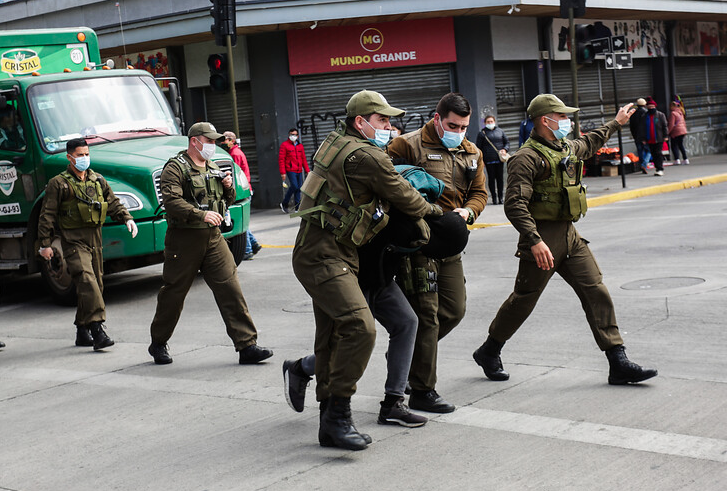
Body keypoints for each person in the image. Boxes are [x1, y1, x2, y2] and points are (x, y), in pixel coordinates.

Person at [291, 90, 443, 451]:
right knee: (361, 327)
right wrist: (441, 216)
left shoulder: (338, 144)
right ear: (360, 122)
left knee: (333, 337)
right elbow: (405, 195)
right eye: (382, 120)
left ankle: (330, 422)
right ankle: (339, 414)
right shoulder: (365, 155)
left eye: (390, 121)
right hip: (324, 255)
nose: (389, 127)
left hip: (330, 251)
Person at [471, 94, 658, 386]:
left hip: (569, 235)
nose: (567, 122)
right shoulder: (526, 158)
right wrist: (534, 240)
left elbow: (590, 142)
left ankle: (617, 360)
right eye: (561, 116)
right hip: (542, 238)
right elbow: (515, 204)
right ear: (545, 120)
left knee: (596, 290)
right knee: (524, 300)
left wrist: (616, 123)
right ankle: (489, 349)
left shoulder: (565, 147)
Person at [284, 171, 469, 429]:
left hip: (380, 277)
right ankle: (301, 368)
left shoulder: (423, 217)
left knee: (407, 323)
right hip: (356, 275)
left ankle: (393, 404)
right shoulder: (405, 224)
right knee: (355, 341)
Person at [388, 92, 488, 413]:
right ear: (437, 118)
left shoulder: (471, 152)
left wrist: (469, 213)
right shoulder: (408, 145)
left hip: (450, 243)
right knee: (427, 318)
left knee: (454, 311)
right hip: (418, 245)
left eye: (463, 127)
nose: (458, 132)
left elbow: (479, 193)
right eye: (452, 125)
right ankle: (422, 390)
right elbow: (386, 184)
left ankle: (407, 357)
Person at [147, 122, 273, 366]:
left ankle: (247, 345)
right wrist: (200, 214)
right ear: (195, 141)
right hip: (184, 239)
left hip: (213, 238)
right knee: (174, 293)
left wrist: (229, 188)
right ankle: (158, 342)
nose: (213, 146)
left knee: (230, 288)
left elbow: (227, 200)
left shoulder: (213, 166)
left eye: (215, 141)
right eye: (210, 141)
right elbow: (171, 201)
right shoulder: (175, 168)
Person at [38, 138, 138, 350]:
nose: (84, 158)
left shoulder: (97, 180)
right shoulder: (59, 183)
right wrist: (44, 244)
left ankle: (82, 331)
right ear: (70, 157)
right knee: (87, 281)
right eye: (80, 155)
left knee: (96, 285)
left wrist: (127, 218)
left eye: (86, 154)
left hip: (95, 239)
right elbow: (47, 214)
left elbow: (112, 202)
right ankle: (97, 329)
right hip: (73, 240)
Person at [222, 131, 261, 260]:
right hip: (245, 190)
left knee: (241, 222)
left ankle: (248, 249)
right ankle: (254, 244)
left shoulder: (234, 155)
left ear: (232, 141)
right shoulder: (236, 153)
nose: (223, 142)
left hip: (240, 191)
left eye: (225, 140)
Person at [475, 114, 510, 205]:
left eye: (491, 121)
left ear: (494, 122)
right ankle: (494, 198)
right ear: (485, 123)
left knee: (500, 179)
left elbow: (507, 142)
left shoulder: (500, 131)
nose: (490, 123)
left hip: (499, 159)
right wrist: (481, 160)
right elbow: (478, 148)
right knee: (491, 179)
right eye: (488, 122)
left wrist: (505, 149)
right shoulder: (482, 133)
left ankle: (501, 198)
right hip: (488, 160)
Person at [278, 128, 309, 213]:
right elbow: (281, 160)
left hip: (299, 169)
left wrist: (307, 170)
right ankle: (284, 203)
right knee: (294, 186)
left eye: (295, 135)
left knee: (299, 188)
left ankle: (297, 207)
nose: (293, 136)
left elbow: (303, 159)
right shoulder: (284, 145)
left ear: (297, 136)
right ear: (289, 135)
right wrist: (283, 173)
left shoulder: (300, 146)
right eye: (292, 134)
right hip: (290, 169)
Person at [638, 97, 668, 177]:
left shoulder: (660, 115)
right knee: (653, 154)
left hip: (658, 138)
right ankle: (657, 168)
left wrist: (665, 135)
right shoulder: (644, 116)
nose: (651, 108)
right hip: (649, 139)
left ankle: (660, 169)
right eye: (649, 107)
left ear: (655, 107)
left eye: (652, 107)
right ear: (647, 107)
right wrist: (643, 139)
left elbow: (664, 126)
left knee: (658, 153)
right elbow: (642, 128)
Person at [629, 98, 652, 174]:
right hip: (644, 136)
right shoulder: (646, 113)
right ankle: (644, 164)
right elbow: (647, 125)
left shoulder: (633, 113)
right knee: (649, 150)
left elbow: (631, 126)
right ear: (644, 105)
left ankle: (642, 166)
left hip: (636, 136)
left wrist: (634, 135)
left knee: (640, 151)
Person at [668, 101, 689, 165]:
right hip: (682, 131)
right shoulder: (681, 112)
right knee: (681, 145)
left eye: (670, 106)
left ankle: (677, 159)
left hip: (676, 132)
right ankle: (685, 159)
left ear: (672, 106)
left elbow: (671, 124)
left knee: (674, 145)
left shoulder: (673, 113)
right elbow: (683, 122)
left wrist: (668, 132)